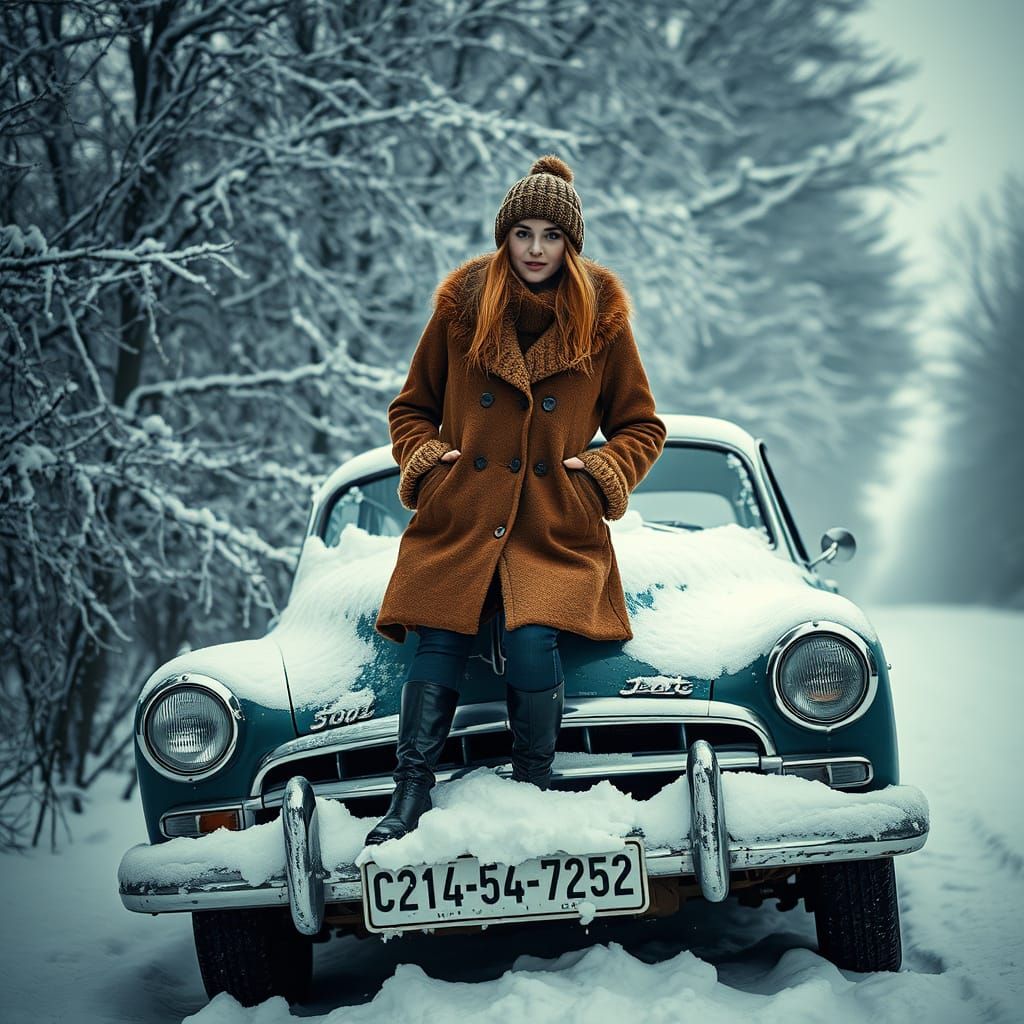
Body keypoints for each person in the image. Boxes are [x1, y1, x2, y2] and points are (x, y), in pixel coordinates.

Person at [366, 155, 666, 845]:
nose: (535, 249)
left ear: (571, 244)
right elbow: (410, 408)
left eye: (550, 236)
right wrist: (426, 463)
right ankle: (408, 794)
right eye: (523, 232)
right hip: (461, 519)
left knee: (534, 643)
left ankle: (533, 781)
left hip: (551, 530)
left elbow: (642, 426)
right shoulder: (461, 310)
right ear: (505, 236)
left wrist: (598, 474)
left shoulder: (602, 324)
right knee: (438, 637)